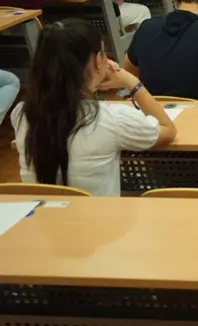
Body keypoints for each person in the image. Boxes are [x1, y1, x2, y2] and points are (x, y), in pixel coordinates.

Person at [12, 20, 176, 196]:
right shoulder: (112, 119)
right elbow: (168, 130)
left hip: (41, 220)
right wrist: (132, 82)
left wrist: (92, 84)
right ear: (98, 61)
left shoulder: (21, 114)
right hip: (102, 221)